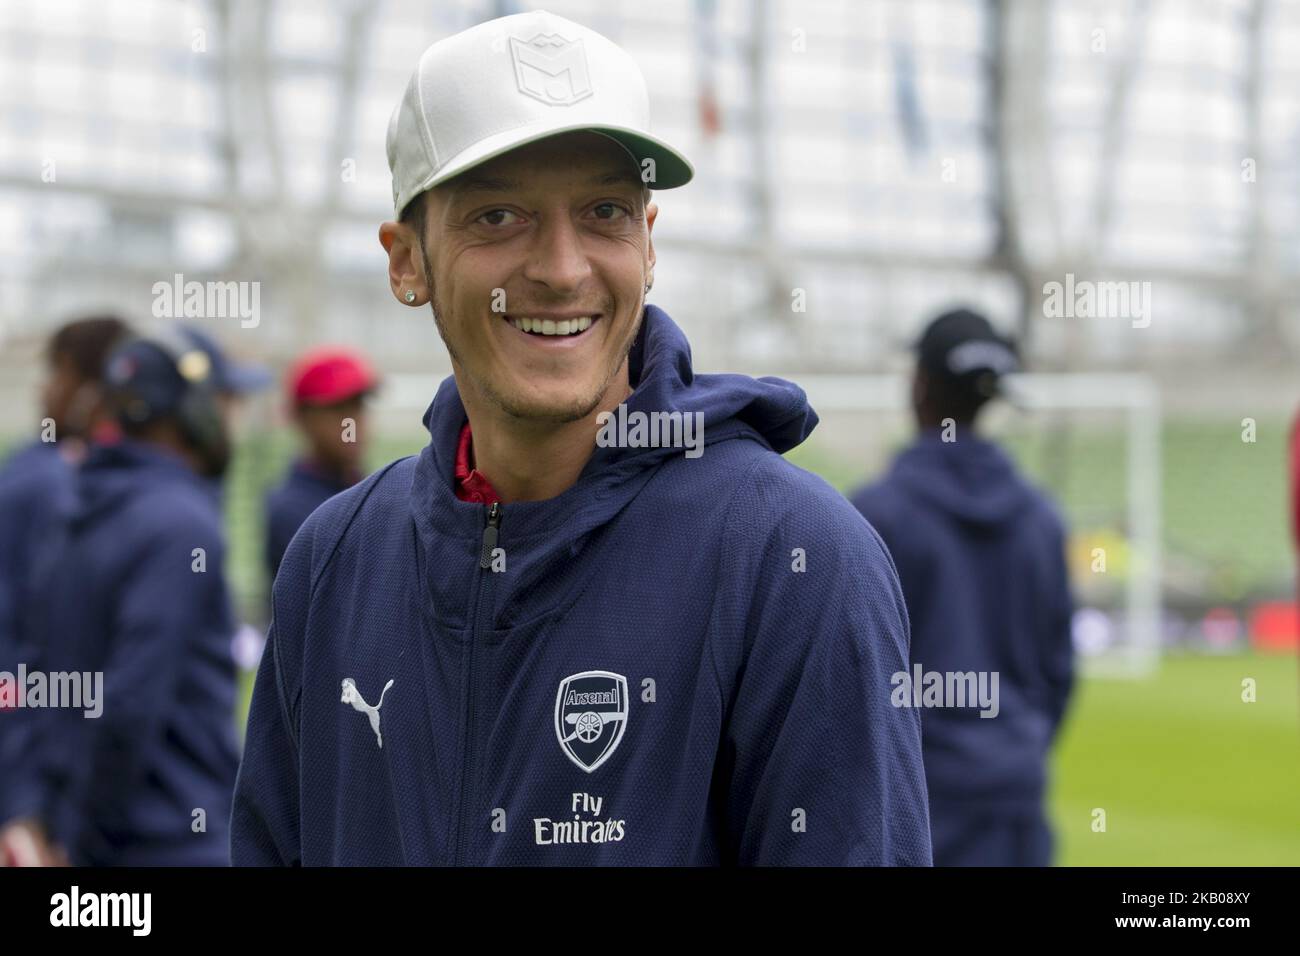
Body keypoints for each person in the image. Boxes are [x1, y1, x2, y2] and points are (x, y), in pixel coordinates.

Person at [231, 10, 931, 866]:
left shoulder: (792, 556)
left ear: (648, 243)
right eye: (497, 216)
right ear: (405, 259)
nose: (562, 269)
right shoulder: (334, 560)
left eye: (603, 211)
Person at [0, 325, 269, 866]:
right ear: (187, 411)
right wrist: (81, 840)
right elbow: (129, 704)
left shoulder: (70, 504)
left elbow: (25, 680)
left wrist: (40, 818)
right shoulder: (181, 523)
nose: (230, 419)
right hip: (170, 843)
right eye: (222, 399)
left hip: (77, 835)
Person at [849, 307, 1075, 866]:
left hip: (909, 807)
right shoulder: (1041, 519)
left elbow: (847, 678)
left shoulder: (873, 516)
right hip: (1014, 799)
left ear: (919, 386)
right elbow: (1058, 671)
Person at [0, 315, 130, 855]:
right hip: (48, 784)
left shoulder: (61, 481)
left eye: (57, 371)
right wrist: (23, 801)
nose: (44, 388)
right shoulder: (45, 480)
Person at [264, 348, 377, 585]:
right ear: (302, 417)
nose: (352, 422)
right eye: (338, 409)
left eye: (358, 406)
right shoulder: (291, 508)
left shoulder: (373, 488)